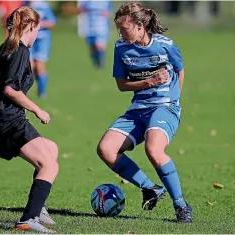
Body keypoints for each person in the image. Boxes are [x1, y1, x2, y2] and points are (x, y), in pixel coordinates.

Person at [96, 2, 192, 223]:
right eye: (119, 29)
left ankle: (181, 205)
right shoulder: (121, 47)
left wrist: (174, 99)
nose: (120, 33)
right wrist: (148, 82)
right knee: (106, 149)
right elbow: (121, 84)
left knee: (153, 149)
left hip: (164, 106)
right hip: (138, 108)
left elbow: (180, 70)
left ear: (140, 26)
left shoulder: (166, 45)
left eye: (124, 28)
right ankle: (150, 188)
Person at [0, 6, 58, 232]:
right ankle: (28, 219)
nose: (38, 33)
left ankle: (38, 209)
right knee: (50, 165)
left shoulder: (4, 48)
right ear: (31, 26)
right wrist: (37, 110)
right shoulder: (20, 51)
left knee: (51, 149)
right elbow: (10, 90)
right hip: (8, 122)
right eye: (38, 28)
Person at [24, 0, 56, 99]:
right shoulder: (24, 5)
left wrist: (38, 23)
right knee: (29, 66)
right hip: (29, 40)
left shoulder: (44, 6)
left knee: (40, 66)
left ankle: (42, 93)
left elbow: (52, 23)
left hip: (43, 40)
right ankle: (24, 92)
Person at [77, 0, 113, 69]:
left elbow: (110, 11)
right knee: (92, 47)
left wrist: (105, 13)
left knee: (99, 46)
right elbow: (81, 9)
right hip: (90, 27)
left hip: (102, 27)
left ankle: (101, 63)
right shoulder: (87, 1)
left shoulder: (105, 1)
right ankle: (95, 63)